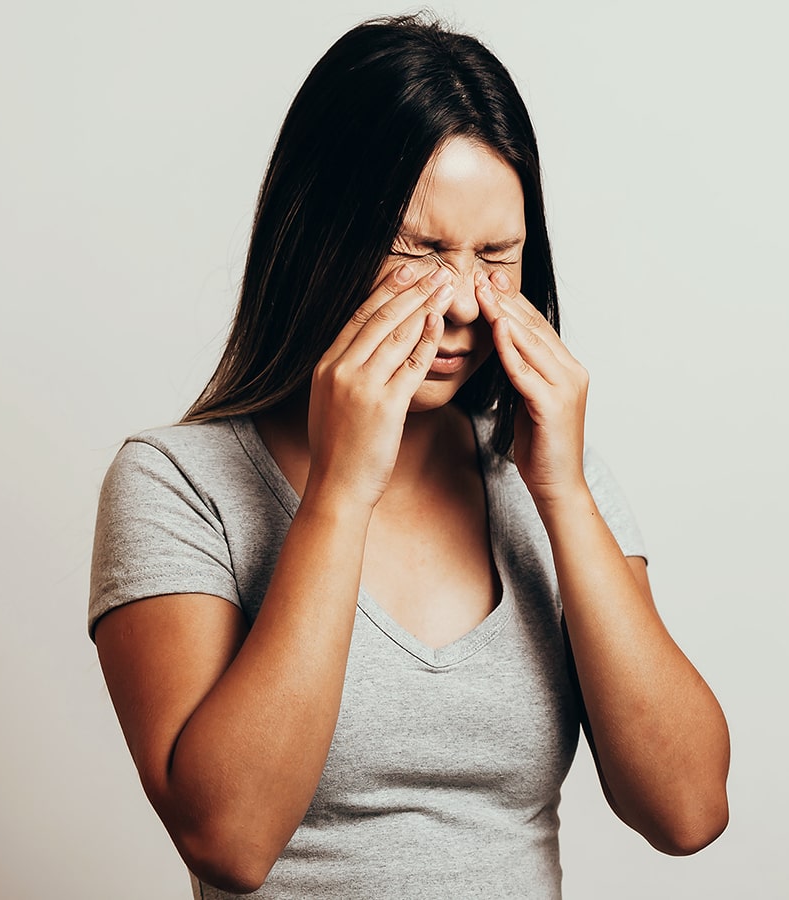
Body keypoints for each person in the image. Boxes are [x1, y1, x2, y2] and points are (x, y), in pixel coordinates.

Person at [88, 14, 729, 899]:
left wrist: (566, 495)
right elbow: (228, 839)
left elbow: (687, 809)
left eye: (498, 257)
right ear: (320, 239)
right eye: (419, 252)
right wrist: (341, 494)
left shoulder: (548, 480)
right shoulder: (177, 484)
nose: (466, 302)